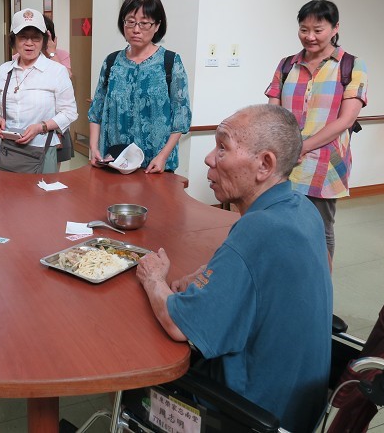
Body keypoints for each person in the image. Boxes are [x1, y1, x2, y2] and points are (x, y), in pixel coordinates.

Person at [136, 104, 332, 432]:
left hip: (248, 412)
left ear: (264, 164)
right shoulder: (303, 209)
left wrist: (154, 278)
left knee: (142, 356)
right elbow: (268, 278)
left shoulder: (258, 231)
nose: (209, 158)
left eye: (223, 147)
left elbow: (177, 325)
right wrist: (207, 274)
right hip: (301, 406)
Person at [265, 0, 368, 263]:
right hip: (285, 160)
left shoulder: (352, 66)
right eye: (303, 29)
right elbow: (273, 113)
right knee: (280, 225)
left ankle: (320, 295)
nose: (309, 37)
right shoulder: (287, 65)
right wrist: (280, 148)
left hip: (325, 163)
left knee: (320, 230)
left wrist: (301, 147)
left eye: (318, 30)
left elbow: (345, 120)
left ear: (335, 28)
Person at [88, 0, 191, 173]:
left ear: (157, 25)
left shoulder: (171, 62)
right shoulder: (112, 62)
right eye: (130, 22)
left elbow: (180, 118)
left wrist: (163, 157)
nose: (136, 29)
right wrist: (93, 148)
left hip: (156, 164)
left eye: (144, 23)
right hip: (115, 160)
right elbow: (96, 111)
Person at [0, 8, 77, 174]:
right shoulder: (5, 70)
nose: (29, 43)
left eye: (36, 38)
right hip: (7, 149)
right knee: (5, 196)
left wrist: (41, 127)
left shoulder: (56, 71)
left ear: (43, 41)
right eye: (23, 37)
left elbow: (70, 112)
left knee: (41, 199)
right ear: (13, 40)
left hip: (41, 150)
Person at [41, 15, 76, 169]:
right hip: (32, 121)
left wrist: (52, 53)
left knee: (52, 171)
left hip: (56, 122)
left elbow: (67, 76)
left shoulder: (61, 55)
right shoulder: (20, 56)